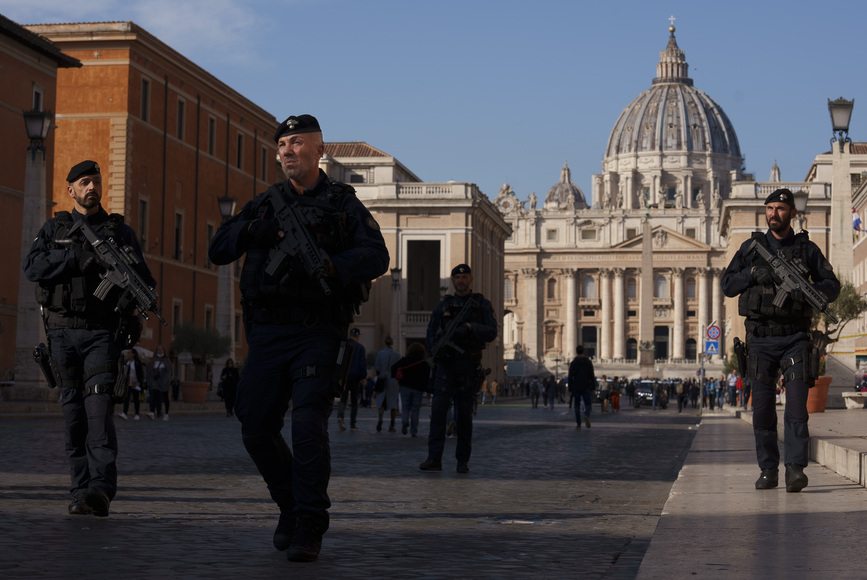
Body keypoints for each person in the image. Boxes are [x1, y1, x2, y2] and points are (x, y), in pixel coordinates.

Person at [208, 114, 389, 562]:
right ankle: (289, 505)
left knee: (307, 426)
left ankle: (310, 520)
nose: (287, 151)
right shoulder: (265, 204)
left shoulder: (343, 203)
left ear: (318, 150)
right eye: (282, 144)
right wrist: (252, 230)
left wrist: (333, 266)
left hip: (317, 331)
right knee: (255, 427)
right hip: (268, 334)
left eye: (297, 143)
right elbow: (219, 248)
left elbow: (377, 254)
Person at [23, 160, 156, 517]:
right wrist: (74, 259)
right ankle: (79, 490)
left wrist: (130, 301)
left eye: (95, 181)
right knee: (73, 418)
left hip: (100, 335)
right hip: (62, 334)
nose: (91, 187)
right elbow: (32, 267)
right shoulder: (54, 229)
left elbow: (144, 279)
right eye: (84, 182)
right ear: (71, 190)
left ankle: (100, 489)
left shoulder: (119, 233)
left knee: (98, 414)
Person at [722, 187, 840, 493]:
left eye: (781, 209)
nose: (774, 214)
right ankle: (768, 469)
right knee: (762, 410)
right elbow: (727, 284)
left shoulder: (807, 250)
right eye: (770, 208)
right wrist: (751, 274)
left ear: (792, 213)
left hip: (795, 337)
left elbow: (831, 285)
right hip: (760, 339)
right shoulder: (751, 247)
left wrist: (809, 294)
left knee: (797, 409)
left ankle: (795, 469)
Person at [419, 264, 497, 474]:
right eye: (457, 277)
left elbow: (492, 332)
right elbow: (431, 332)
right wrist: (434, 349)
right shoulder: (443, 305)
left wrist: (472, 328)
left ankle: (462, 461)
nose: (461, 280)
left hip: (468, 365)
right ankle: (434, 458)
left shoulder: (481, 305)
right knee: (437, 415)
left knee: (464, 417)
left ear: (471, 279)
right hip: (445, 365)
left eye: (464, 277)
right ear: (452, 281)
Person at [391, 342, 430, 437]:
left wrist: (397, 378)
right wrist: (428, 390)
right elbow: (427, 378)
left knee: (405, 407)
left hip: (405, 387)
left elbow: (393, 368)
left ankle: (404, 421)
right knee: (415, 410)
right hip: (418, 389)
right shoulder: (424, 364)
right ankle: (414, 431)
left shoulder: (404, 361)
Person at [337, 328, 366, 431]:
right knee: (354, 401)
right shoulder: (360, 348)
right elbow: (362, 363)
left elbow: (339, 361)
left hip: (345, 376)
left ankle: (340, 416)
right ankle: (352, 424)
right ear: (357, 336)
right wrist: (363, 377)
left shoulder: (344, 346)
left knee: (343, 399)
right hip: (356, 377)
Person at [374, 336, 401, 432]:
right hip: (393, 380)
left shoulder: (380, 354)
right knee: (393, 402)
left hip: (382, 378)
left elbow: (377, 368)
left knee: (380, 400)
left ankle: (380, 419)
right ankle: (392, 424)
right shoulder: (397, 355)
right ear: (392, 343)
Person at [567, 345, 594, 429]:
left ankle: (578, 424)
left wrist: (570, 389)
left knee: (577, 405)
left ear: (576, 352)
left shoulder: (573, 362)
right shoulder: (588, 362)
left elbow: (570, 376)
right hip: (586, 385)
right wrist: (593, 388)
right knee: (588, 403)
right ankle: (586, 415)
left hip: (576, 386)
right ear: (583, 351)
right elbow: (592, 376)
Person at [148, 345, 172, 421]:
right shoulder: (154, 359)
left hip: (164, 382)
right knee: (154, 397)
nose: (160, 351)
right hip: (156, 381)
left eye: (161, 349)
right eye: (158, 349)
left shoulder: (166, 359)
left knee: (165, 398)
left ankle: (166, 414)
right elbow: (151, 370)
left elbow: (168, 371)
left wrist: (165, 379)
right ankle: (152, 412)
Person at [119, 349, 144, 421]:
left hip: (135, 383)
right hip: (127, 384)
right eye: (127, 353)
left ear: (133, 354)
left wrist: (139, 382)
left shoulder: (137, 363)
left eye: (129, 353)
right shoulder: (126, 362)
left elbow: (140, 373)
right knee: (126, 398)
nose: (128, 354)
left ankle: (137, 414)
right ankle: (124, 413)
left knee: (136, 398)